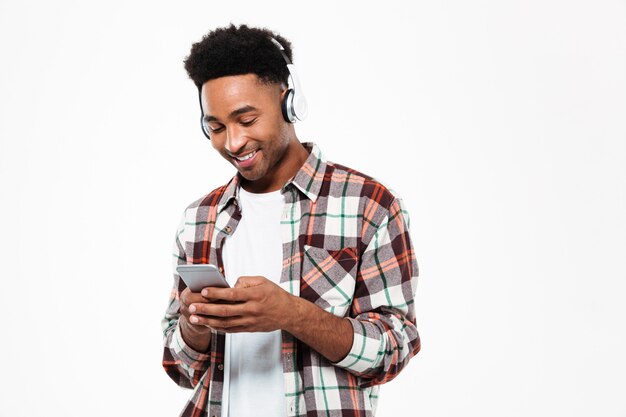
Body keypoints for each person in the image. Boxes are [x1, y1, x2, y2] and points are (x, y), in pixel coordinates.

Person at [161, 24, 420, 417]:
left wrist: (291, 313)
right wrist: (193, 328)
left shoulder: (369, 206)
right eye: (215, 127)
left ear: (288, 103)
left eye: (246, 120)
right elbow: (179, 367)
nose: (232, 143)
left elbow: (395, 347)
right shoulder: (200, 219)